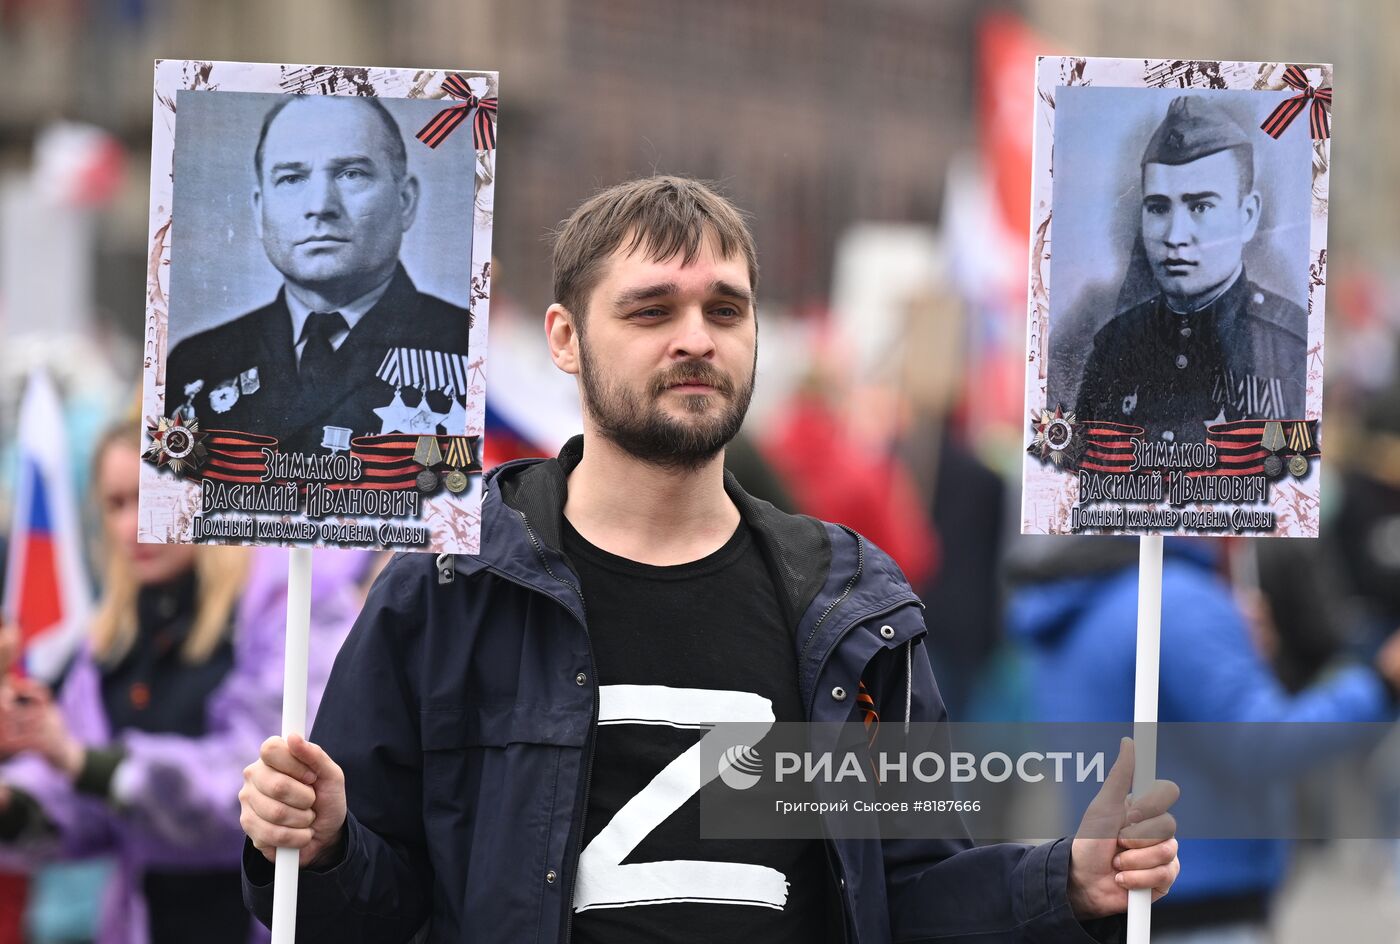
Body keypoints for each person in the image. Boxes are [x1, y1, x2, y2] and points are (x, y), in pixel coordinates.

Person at [238, 176, 1179, 943]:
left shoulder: (849, 608)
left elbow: (906, 894)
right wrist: (319, 847)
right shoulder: (450, 586)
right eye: (652, 311)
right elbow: (374, 907)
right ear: (564, 338)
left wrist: (1066, 881)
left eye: (725, 308)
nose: (697, 337)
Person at [0, 417, 370, 944]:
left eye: (150, 496)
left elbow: (263, 787)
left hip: (268, 918)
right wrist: (17, 802)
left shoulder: (288, 608)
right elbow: (86, 804)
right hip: (146, 921)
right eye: (115, 504)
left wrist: (88, 763)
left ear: (202, 494)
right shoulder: (111, 638)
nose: (133, 526)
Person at [1006, 535, 1400, 943]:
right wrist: (1382, 684)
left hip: (1129, 890)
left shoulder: (1086, 596)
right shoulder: (1180, 602)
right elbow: (1263, 744)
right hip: (1196, 893)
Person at [166, 95, 473, 456]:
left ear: (405, 201)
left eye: (351, 173)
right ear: (259, 208)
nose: (320, 206)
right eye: (292, 178)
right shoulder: (196, 363)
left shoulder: (467, 352)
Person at [1074, 95, 1308, 444]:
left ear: (1247, 216)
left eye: (1200, 206)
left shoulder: (1293, 347)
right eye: (1157, 208)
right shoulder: (1113, 348)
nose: (1175, 236)